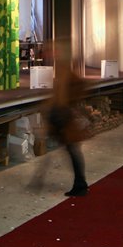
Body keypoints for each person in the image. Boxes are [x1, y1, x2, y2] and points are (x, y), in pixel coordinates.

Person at [47, 68, 91, 196]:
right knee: (73, 151)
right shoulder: (64, 75)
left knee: (73, 151)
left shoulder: (68, 76)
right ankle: (80, 183)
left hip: (66, 118)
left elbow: (68, 95)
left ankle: (80, 184)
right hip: (64, 116)